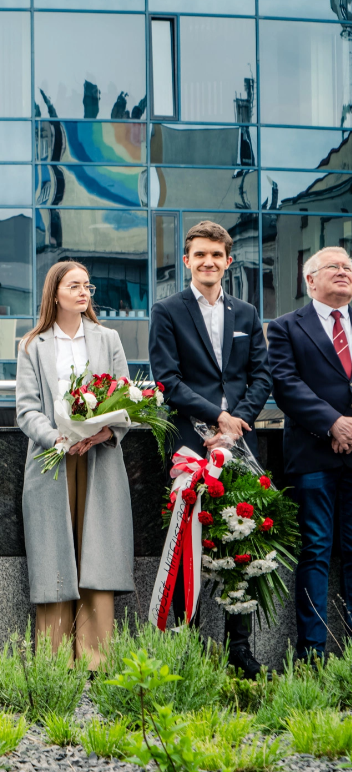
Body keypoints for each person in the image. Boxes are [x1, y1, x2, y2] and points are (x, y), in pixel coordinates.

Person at [148, 220, 271, 677]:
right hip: (190, 445)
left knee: (244, 542)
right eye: (200, 254)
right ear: (187, 261)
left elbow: (262, 376)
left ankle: (239, 648)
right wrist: (216, 418)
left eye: (216, 255)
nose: (208, 262)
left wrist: (236, 423)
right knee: (189, 544)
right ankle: (188, 645)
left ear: (228, 261)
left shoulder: (247, 313)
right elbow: (167, 379)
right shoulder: (167, 311)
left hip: (240, 444)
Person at [15, 260, 134, 670]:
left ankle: (96, 661)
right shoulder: (33, 344)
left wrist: (104, 432)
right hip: (52, 462)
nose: (84, 292)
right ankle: (53, 663)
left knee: (97, 555)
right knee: (54, 556)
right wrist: (58, 439)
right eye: (75, 286)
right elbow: (26, 410)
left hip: (100, 459)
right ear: (55, 293)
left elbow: (126, 399)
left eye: (88, 286)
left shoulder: (108, 339)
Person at [268, 246, 352, 660]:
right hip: (312, 456)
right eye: (334, 266)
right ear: (310, 279)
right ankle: (313, 654)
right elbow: (285, 384)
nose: (344, 271)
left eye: (348, 267)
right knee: (316, 549)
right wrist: (332, 423)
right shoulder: (285, 327)